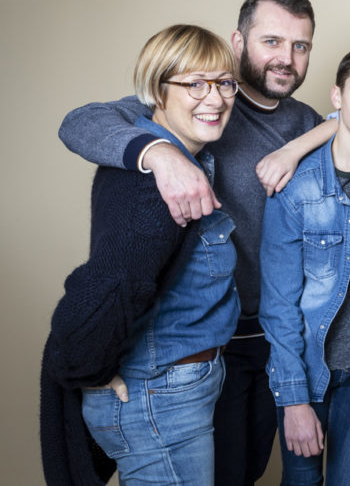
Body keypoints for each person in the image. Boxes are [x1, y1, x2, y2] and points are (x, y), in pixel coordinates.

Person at [56, 0, 321, 485]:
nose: (286, 58)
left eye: (300, 45)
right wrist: (159, 154)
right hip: (187, 349)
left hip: (265, 337)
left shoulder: (302, 121)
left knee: (244, 469)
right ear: (238, 42)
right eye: (271, 41)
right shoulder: (194, 105)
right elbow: (79, 122)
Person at [40, 25, 242, 485]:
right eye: (194, 84)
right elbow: (106, 285)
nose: (214, 98)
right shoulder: (155, 187)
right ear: (157, 91)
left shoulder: (188, 157)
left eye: (225, 83)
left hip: (183, 386)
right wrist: (89, 371)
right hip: (158, 397)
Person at [259, 45, 350, 485]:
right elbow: (278, 305)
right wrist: (294, 401)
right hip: (307, 369)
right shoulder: (295, 188)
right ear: (336, 97)